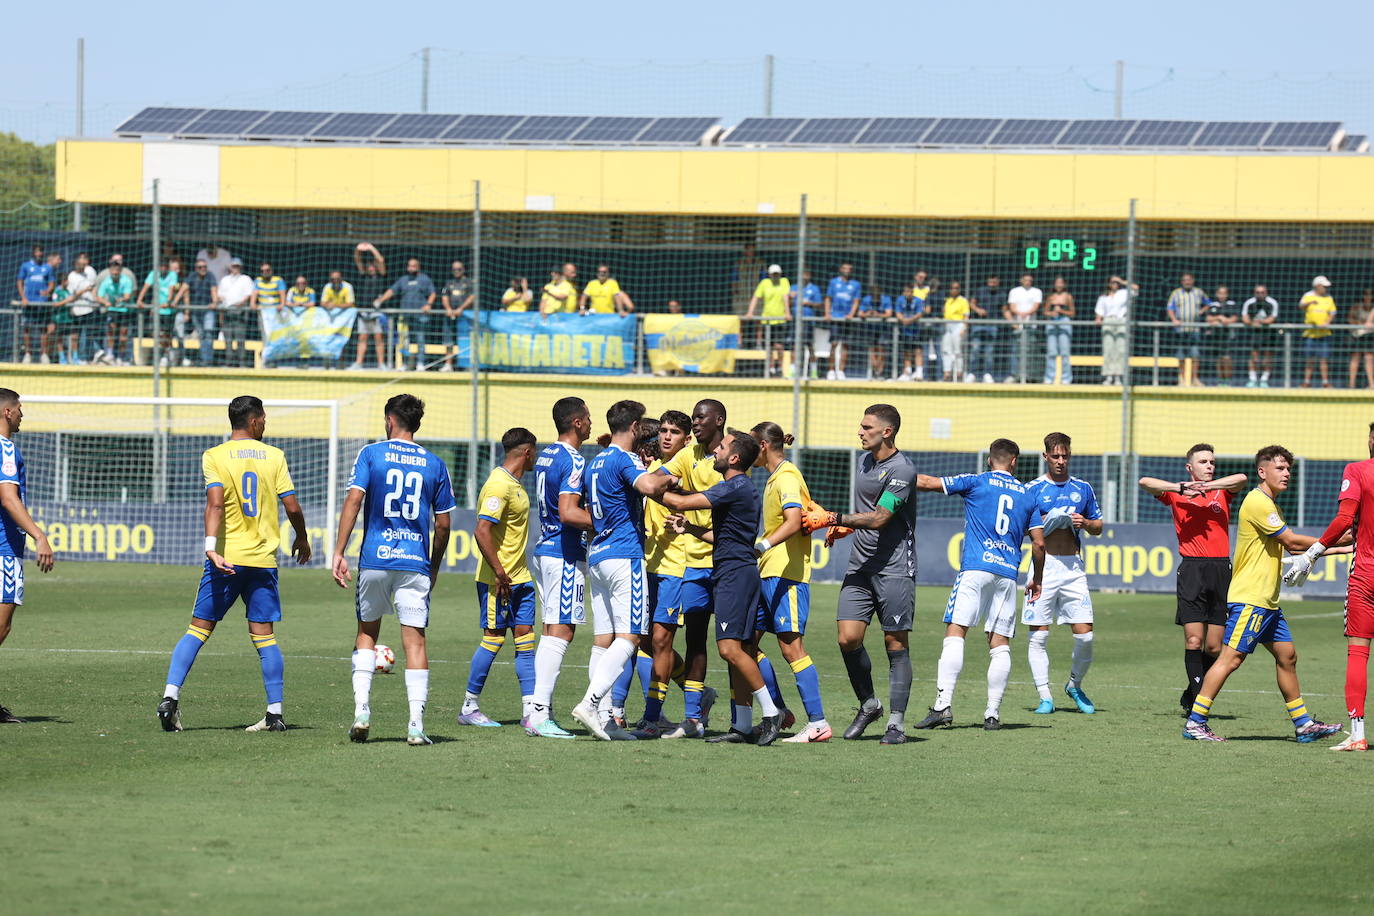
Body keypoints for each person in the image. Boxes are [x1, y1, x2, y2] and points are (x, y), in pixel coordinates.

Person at [156, 396, 311, 733]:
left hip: (225, 560)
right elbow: (292, 506)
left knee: (197, 631)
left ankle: (170, 697)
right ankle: (274, 714)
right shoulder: (274, 456)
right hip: (262, 562)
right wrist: (302, 537)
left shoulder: (214, 455)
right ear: (254, 421)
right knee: (265, 638)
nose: (265, 423)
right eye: (263, 418)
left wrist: (210, 549)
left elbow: (214, 505)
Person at [1182, 445, 1344, 743]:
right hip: (1251, 599)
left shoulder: (1272, 506)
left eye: (1288, 469)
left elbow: (1297, 548)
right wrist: (1338, 541)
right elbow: (1292, 542)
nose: (1287, 474)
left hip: (1268, 602)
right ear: (1262, 471)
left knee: (1287, 656)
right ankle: (1195, 722)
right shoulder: (1257, 502)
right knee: (1230, 659)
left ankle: (1303, 725)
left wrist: (1344, 545)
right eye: (1280, 468)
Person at [331, 395, 455, 745]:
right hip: (414, 562)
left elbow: (354, 500)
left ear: (389, 420)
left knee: (366, 633)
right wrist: (433, 565)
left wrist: (339, 551)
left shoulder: (371, 454)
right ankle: (415, 726)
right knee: (415, 641)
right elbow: (443, 524)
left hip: (375, 558)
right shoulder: (435, 464)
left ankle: (362, 712)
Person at [912, 439, 1046, 731]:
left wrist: (892, 476)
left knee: (956, 633)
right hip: (1007, 575)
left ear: (989, 459)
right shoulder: (1028, 494)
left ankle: (942, 706)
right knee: (1000, 645)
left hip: (975, 569)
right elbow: (1038, 543)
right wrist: (1037, 578)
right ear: (1014, 461)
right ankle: (992, 714)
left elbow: (927, 482)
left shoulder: (976, 481)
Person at [661, 429, 783, 746]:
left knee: (729, 649)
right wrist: (690, 528)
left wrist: (644, 485)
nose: (716, 450)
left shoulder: (734, 486)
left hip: (735, 575)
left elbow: (680, 501)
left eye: (723, 447)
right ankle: (742, 726)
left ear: (734, 458)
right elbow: (726, 537)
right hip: (736, 571)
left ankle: (772, 713)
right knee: (739, 651)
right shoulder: (737, 489)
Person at [806, 404, 918, 744]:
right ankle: (869, 705)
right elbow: (866, 513)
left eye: (867, 427)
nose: (860, 431)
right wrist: (847, 527)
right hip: (860, 566)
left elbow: (881, 517)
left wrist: (834, 518)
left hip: (895, 569)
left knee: (895, 642)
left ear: (887, 431)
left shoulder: (902, 469)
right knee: (847, 638)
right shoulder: (863, 461)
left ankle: (896, 724)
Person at [571, 401, 678, 740]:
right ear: (634, 427)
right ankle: (590, 703)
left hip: (598, 554)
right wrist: (670, 477)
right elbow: (648, 487)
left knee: (603, 641)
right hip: (624, 554)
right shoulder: (625, 458)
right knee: (630, 637)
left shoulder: (595, 462)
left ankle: (604, 719)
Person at [1138, 445, 1247, 712]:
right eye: (1203, 462)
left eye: (1212, 462)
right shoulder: (1176, 494)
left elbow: (1242, 478)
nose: (1209, 466)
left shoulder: (1221, 491)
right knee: (1194, 641)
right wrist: (1180, 488)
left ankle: (1190, 693)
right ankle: (1199, 703)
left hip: (1221, 571)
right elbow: (1144, 482)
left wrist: (1207, 487)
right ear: (1190, 467)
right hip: (1192, 571)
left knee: (1214, 647)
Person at [1285, 422, 1374, 750]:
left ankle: (1358, 734)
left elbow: (1343, 519)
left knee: (1358, 652)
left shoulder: (1358, 471)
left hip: (1367, 575)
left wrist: (1312, 553)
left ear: (1371, 440)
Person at [656, 399, 733, 738]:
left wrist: (680, 492)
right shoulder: (689, 454)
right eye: (694, 418)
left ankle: (767, 709)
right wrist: (648, 478)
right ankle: (693, 719)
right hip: (695, 563)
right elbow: (659, 477)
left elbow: (719, 497)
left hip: (729, 562)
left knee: (737, 645)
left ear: (719, 420)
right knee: (696, 639)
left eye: (701, 417)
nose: (696, 422)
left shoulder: (732, 451)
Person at [751, 422, 831, 742]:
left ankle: (818, 722)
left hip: (788, 573)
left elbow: (794, 520)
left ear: (762, 446)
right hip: (769, 571)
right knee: (745, 644)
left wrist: (763, 544)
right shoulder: (775, 476)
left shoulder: (786, 476)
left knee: (791, 647)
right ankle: (779, 711)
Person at [633, 410, 706, 737]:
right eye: (663, 430)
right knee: (645, 641)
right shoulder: (652, 471)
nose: (666, 436)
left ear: (687, 439)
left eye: (674, 432)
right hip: (648, 564)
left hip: (676, 566)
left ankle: (653, 717)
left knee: (662, 640)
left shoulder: (688, 470)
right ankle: (698, 695)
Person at [458, 428, 537, 729]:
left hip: (521, 578)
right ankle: (469, 706)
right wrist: (500, 572)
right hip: (498, 580)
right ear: (527, 452)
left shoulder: (515, 484)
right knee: (494, 638)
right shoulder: (498, 485)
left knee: (526, 640)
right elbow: (481, 531)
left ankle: (530, 710)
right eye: (535, 452)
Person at [524, 397, 593, 738]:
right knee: (563, 630)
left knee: (552, 630)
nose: (591, 423)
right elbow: (568, 512)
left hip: (544, 549)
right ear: (578, 422)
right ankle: (539, 714)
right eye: (588, 417)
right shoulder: (574, 459)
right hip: (564, 552)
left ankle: (536, 710)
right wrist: (604, 521)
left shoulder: (547, 454)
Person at [1023, 433, 1102, 714]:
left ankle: (1074, 685)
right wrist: (1040, 522)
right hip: (1043, 568)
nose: (1060, 461)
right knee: (1038, 636)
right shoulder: (1032, 489)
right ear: (1045, 456)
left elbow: (1099, 527)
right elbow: (1020, 528)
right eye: (1055, 456)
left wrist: (1086, 522)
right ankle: (1045, 697)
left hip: (1073, 568)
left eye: (1065, 456)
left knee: (1085, 636)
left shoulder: (1083, 488)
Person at [0, 389, 55, 722]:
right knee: (1, 626)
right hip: (3, 550)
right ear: (7, 412)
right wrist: (39, 535)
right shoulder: (5, 448)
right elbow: (8, 497)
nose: (23, 414)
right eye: (19, 408)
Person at [374, 258, 435, 371]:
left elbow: (433, 293)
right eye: (409, 266)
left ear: (418, 267)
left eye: (414, 266)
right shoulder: (403, 279)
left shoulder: (424, 279)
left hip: (420, 315)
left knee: (420, 339)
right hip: (406, 316)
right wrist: (381, 300)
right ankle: (406, 364)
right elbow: (392, 291)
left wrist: (428, 304)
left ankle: (420, 363)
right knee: (405, 340)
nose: (411, 268)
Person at [746, 264, 792, 378]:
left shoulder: (784, 282)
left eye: (777, 274)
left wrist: (787, 312)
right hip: (767, 320)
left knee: (779, 346)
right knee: (769, 347)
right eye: (773, 274)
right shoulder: (764, 283)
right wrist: (750, 312)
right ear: (769, 275)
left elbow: (785, 298)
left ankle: (780, 367)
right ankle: (771, 368)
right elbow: (756, 297)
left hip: (780, 320)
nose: (775, 276)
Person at [350, 243, 389, 370]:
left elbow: (381, 260)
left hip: (376, 311)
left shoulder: (381, 276)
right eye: (369, 266)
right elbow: (357, 260)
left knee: (378, 338)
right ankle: (358, 363)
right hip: (364, 311)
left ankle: (381, 364)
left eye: (373, 266)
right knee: (362, 338)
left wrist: (371, 248)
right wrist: (358, 249)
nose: (371, 268)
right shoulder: (363, 276)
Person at [1166, 273, 1209, 387]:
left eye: (1189, 280)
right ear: (1181, 282)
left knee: (1195, 354)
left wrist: (1201, 311)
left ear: (1193, 281)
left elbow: (1209, 303)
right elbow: (1170, 308)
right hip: (1180, 329)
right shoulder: (1176, 293)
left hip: (1195, 329)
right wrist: (1174, 319)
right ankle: (1182, 379)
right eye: (1185, 280)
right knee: (1181, 354)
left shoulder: (1199, 292)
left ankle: (1195, 378)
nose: (1187, 282)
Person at [173, 258, 219, 367]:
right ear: (196, 268)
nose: (203, 269)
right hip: (196, 312)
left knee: (208, 333)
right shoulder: (192, 276)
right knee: (201, 334)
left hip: (208, 310)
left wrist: (214, 302)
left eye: (205, 267)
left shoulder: (210, 276)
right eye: (200, 267)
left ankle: (208, 360)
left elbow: (214, 290)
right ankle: (204, 359)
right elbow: (183, 289)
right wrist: (175, 301)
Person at [138, 258, 182, 368]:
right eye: (161, 266)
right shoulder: (153, 274)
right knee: (155, 333)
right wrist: (139, 300)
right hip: (157, 310)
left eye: (165, 266)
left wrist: (168, 301)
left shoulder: (172, 275)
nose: (163, 268)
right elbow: (146, 287)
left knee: (166, 334)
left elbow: (171, 289)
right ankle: (165, 353)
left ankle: (167, 354)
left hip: (168, 311)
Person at [55, 253, 97, 366]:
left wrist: (95, 298)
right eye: (80, 264)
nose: (83, 266)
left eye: (84, 264)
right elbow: (71, 296)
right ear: (75, 264)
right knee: (76, 335)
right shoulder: (71, 277)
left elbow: (93, 288)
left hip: (89, 308)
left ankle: (87, 356)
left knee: (88, 334)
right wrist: (84, 291)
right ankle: (77, 357)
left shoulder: (89, 273)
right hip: (76, 311)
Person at [15, 244, 54, 364]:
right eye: (37, 251)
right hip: (29, 303)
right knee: (27, 329)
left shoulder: (47, 267)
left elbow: (51, 283)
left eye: (41, 251)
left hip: (42, 304)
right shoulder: (26, 266)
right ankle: (28, 354)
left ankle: (44, 354)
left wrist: (47, 291)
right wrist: (23, 298)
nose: (39, 254)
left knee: (43, 329)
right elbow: (20, 281)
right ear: (33, 253)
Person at [214, 258, 256, 368]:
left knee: (240, 339)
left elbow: (248, 294)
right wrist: (225, 302)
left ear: (240, 267)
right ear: (230, 267)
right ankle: (229, 362)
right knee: (228, 340)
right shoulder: (225, 280)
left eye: (237, 266)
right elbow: (220, 295)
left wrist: (240, 304)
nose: (235, 268)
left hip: (240, 312)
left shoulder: (245, 279)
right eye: (233, 266)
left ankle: (242, 363)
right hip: (227, 312)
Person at [823, 263, 861, 379]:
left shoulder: (856, 284)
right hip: (835, 317)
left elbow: (856, 301)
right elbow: (828, 298)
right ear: (840, 269)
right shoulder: (833, 282)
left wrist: (851, 314)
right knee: (834, 344)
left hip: (847, 319)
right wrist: (827, 313)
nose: (847, 271)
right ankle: (831, 370)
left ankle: (841, 370)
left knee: (845, 345)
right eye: (845, 268)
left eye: (849, 269)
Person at [95, 261, 137, 366]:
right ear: (110, 271)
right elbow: (99, 297)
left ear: (120, 271)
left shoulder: (126, 280)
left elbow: (128, 296)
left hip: (124, 310)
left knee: (123, 335)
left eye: (117, 271)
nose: (115, 273)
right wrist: (105, 302)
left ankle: (121, 357)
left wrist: (121, 299)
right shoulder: (106, 281)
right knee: (111, 333)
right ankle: (110, 354)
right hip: (112, 310)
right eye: (113, 270)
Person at [1300, 275, 1337, 388]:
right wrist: (1310, 303)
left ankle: (1325, 382)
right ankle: (1306, 382)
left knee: (1323, 359)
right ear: (1317, 286)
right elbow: (1301, 306)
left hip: (1324, 334)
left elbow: (1333, 313)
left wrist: (1327, 323)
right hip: (1310, 334)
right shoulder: (1308, 295)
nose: (1326, 288)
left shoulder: (1329, 298)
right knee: (1309, 359)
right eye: (1324, 286)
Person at [1004, 273, 1042, 382]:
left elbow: (1036, 306)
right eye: (1026, 280)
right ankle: (1015, 375)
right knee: (1016, 352)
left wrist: (1026, 313)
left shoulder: (1037, 291)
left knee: (1031, 351)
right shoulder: (1014, 291)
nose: (1028, 282)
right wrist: (1019, 315)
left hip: (1031, 327)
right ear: (1021, 280)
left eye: (1030, 280)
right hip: (1018, 326)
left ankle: (1029, 376)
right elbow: (1012, 307)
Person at [1094, 275, 1131, 385]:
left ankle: (1118, 376)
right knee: (1108, 348)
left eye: (1116, 282)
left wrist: (1122, 281)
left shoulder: (1124, 293)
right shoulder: (1103, 297)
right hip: (1108, 320)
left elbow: (1136, 288)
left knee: (1120, 349)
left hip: (1121, 320)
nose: (1114, 284)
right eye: (1112, 282)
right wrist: (1098, 318)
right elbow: (1099, 311)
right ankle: (1108, 376)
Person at [1241, 284, 1279, 387]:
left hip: (1269, 334)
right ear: (1254, 293)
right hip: (1255, 333)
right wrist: (1252, 323)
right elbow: (1245, 318)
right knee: (1254, 356)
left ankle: (1264, 379)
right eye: (1258, 292)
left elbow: (1272, 318)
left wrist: (1260, 322)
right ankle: (1252, 379)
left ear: (1266, 293)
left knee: (1268, 357)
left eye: (1262, 292)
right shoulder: (1249, 303)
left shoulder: (1272, 303)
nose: (1260, 294)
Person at [439, 261, 474, 372]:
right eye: (454, 269)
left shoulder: (469, 282)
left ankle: (467, 364)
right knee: (448, 339)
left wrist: (461, 308)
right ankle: (448, 364)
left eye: (459, 269)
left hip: (465, 316)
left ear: (463, 269)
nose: (456, 271)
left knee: (465, 339)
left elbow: (472, 297)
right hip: (451, 316)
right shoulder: (449, 283)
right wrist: (448, 309)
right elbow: (444, 297)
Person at [249, 262, 285, 366]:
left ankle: (274, 358)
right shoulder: (258, 281)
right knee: (266, 336)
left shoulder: (278, 280)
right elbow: (254, 294)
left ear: (271, 271)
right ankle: (267, 359)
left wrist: (282, 304)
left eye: (267, 270)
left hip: (276, 313)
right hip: (263, 313)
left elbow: (282, 294)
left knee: (275, 336)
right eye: (263, 271)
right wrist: (253, 303)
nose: (265, 272)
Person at [1204, 284, 1241, 386]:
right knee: (1219, 359)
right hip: (1216, 336)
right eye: (1220, 293)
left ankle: (1228, 380)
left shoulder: (1231, 304)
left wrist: (1226, 321)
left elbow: (1235, 318)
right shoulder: (1213, 305)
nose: (1222, 295)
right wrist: (1219, 317)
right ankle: (1220, 380)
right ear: (1217, 294)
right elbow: (1208, 318)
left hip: (1228, 336)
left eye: (1224, 293)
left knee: (1227, 358)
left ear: (1227, 294)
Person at [968, 274, 1001, 384]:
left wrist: (1013, 322)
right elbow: (972, 303)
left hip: (992, 325)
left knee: (989, 352)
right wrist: (978, 310)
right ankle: (972, 374)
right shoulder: (980, 291)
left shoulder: (1001, 293)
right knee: (975, 349)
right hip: (978, 325)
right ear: (987, 282)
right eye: (990, 282)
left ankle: (988, 374)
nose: (992, 284)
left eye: (994, 282)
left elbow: (1005, 309)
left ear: (998, 283)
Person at [1042, 276, 1074, 384]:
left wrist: (1061, 311)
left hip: (1064, 321)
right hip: (1052, 322)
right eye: (1057, 283)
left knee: (1064, 352)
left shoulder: (1068, 296)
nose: (1059, 285)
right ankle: (1049, 377)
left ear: (1064, 284)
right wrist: (1052, 313)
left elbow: (1072, 313)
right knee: (1052, 351)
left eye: (1061, 283)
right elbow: (1045, 312)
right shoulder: (1051, 297)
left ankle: (1066, 378)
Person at [857, 283, 892, 381]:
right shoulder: (866, 299)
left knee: (882, 350)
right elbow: (860, 313)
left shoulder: (886, 299)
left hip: (883, 328)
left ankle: (880, 372)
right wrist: (868, 314)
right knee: (872, 350)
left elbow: (889, 314)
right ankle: (874, 370)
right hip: (870, 329)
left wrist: (878, 315)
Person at [892, 283, 924, 381]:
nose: (908, 294)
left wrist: (910, 320)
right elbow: (898, 313)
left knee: (918, 351)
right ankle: (907, 373)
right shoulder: (900, 300)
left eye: (910, 292)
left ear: (913, 292)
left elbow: (920, 313)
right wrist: (903, 319)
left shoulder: (918, 300)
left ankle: (919, 373)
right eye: (906, 291)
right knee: (906, 352)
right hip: (905, 330)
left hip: (916, 330)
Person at [940, 280, 970, 382]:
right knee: (946, 349)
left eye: (956, 288)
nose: (954, 290)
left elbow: (966, 315)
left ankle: (959, 373)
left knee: (957, 350)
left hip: (958, 325)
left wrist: (964, 328)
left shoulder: (963, 300)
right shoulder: (947, 300)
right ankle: (947, 372)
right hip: (948, 325)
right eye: (952, 288)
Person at [1345, 289, 1374, 390]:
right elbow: (1350, 319)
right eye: (1366, 295)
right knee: (1355, 358)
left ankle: (1371, 384)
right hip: (1356, 335)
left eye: (1370, 295)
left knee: (1369, 358)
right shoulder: (1357, 306)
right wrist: (1361, 324)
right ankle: (1351, 384)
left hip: (1369, 336)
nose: (1368, 297)